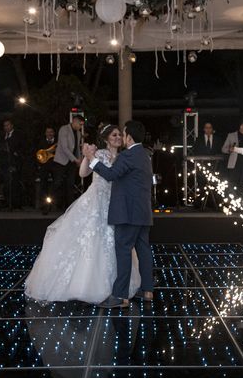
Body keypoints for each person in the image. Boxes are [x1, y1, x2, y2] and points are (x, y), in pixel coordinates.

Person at [24, 124, 141, 304]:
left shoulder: (124, 157)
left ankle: (115, 286)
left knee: (115, 241)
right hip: (96, 200)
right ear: (106, 138)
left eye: (119, 135)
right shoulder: (100, 154)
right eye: (114, 135)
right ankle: (84, 286)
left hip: (115, 203)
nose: (118, 137)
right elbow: (83, 172)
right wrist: (88, 157)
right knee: (91, 238)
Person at [84, 120, 154, 308]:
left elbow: (109, 175)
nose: (121, 137)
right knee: (143, 250)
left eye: (123, 133)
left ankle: (120, 296)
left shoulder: (127, 156)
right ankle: (147, 290)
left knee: (123, 250)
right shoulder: (144, 155)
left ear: (129, 136)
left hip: (128, 213)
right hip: (143, 212)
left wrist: (91, 159)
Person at [53, 115, 84, 209]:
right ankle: (48, 205)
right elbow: (64, 147)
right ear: (74, 121)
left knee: (70, 184)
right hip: (61, 161)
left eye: (82, 125)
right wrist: (75, 159)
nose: (80, 126)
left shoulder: (78, 133)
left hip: (72, 163)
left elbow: (77, 148)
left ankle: (69, 207)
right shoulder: (64, 129)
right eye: (80, 124)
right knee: (57, 183)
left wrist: (79, 160)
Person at [222, 119, 243, 194]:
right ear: (241, 126)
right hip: (235, 166)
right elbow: (223, 149)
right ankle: (232, 202)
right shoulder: (231, 135)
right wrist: (230, 149)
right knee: (232, 186)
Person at [0, 119, 26, 209]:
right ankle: (7, 202)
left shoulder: (18, 135)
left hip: (15, 162)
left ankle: (16, 203)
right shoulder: (3, 136)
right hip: (5, 163)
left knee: (15, 182)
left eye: (8, 125)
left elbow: (22, 147)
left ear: (12, 125)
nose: (6, 127)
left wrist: (17, 154)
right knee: (6, 183)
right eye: (5, 126)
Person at [36, 126, 57, 214]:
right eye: (48, 132)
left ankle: (54, 205)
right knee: (43, 186)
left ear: (54, 133)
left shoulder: (58, 143)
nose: (49, 134)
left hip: (55, 167)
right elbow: (38, 155)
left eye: (51, 132)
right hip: (44, 167)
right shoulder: (41, 142)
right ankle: (44, 205)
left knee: (55, 185)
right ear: (45, 133)